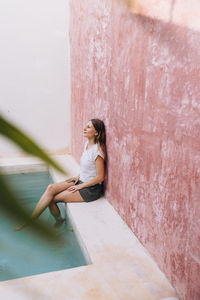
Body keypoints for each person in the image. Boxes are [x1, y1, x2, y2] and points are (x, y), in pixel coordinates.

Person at [14, 118, 106, 230]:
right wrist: (78, 177)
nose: (84, 128)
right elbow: (88, 168)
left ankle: (39, 221)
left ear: (96, 132)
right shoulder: (87, 144)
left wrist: (80, 186)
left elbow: (100, 177)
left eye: (89, 127)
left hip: (90, 189)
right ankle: (32, 220)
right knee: (51, 188)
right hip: (80, 180)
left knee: (51, 199)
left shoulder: (97, 151)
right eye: (85, 126)